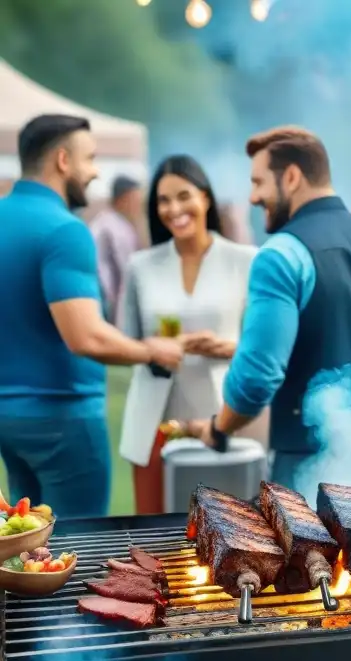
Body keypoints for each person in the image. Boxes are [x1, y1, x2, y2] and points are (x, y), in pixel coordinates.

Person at [189, 126, 351, 492]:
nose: (252, 197)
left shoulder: (280, 255)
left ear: (292, 177)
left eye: (259, 182)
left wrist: (218, 428)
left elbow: (255, 378)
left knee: (309, 552)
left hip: (307, 475)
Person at [0, 114, 182, 517]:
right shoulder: (65, 230)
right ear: (63, 161)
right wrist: (151, 351)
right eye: (90, 158)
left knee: (26, 545)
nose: (96, 172)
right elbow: (86, 337)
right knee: (78, 551)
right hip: (63, 420)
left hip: (8, 419)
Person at [119, 155, 260, 514]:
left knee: (232, 530)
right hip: (155, 418)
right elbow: (124, 340)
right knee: (155, 533)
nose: (173, 209)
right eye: (163, 201)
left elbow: (264, 344)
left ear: (206, 198)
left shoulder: (246, 259)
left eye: (184, 196)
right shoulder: (141, 265)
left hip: (223, 414)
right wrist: (153, 348)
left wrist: (230, 347)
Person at [89, 175, 141, 323]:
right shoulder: (117, 228)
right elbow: (128, 270)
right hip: (106, 296)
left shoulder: (102, 220)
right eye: (135, 199)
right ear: (123, 199)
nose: (138, 205)